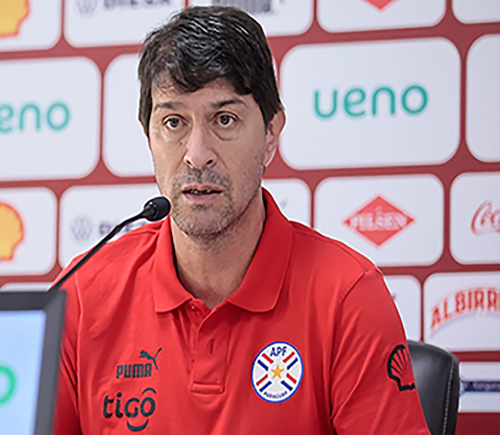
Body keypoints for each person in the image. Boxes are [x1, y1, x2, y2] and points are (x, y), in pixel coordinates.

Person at [53, 6, 430, 434]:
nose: (197, 154)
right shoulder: (82, 293)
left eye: (225, 119)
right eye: (174, 122)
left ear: (271, 134)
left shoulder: (346, 295)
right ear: (149, 138)